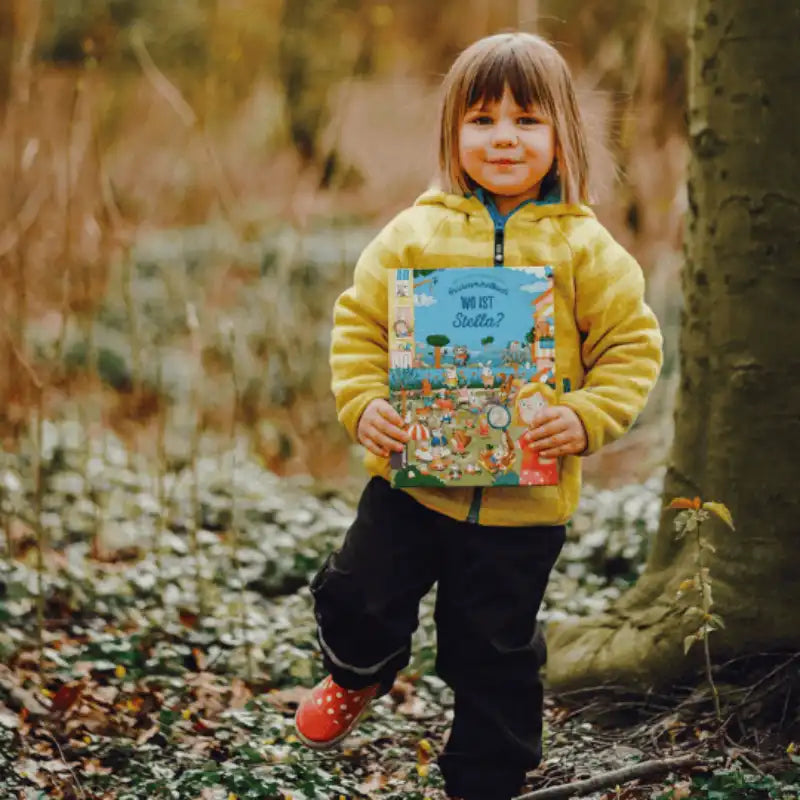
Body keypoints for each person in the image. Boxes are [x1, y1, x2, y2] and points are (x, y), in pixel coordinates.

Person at [294, 31, 663, 800]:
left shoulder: (586, 248)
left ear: (563, 132)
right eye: (482, 119)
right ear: (451, 133)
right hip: (411, 480)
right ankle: (358, 672)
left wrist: (587, 414)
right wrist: (364, 406)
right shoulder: (413, 234)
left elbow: (633, 346)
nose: (503, 137)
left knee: (491, 652)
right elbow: (358, 325)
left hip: (522, 507)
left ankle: (486, 783)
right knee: (359, 592)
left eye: (527, 120)